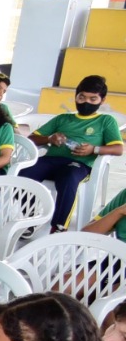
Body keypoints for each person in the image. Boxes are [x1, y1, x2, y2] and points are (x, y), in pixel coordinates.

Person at [21, 75, 124, 230]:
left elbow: (118, 149)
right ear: (76, 96)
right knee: (22, 172)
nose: (86, 102)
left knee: (69, 178)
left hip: (79, 165)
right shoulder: (62, 118)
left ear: (102, 101)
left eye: (93, 99)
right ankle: (29, 218)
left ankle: (59, 226)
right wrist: (49, 138)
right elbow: (32, 139)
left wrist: (94, 149)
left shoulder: (105, 121)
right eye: (82, 97)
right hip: (52, 160)